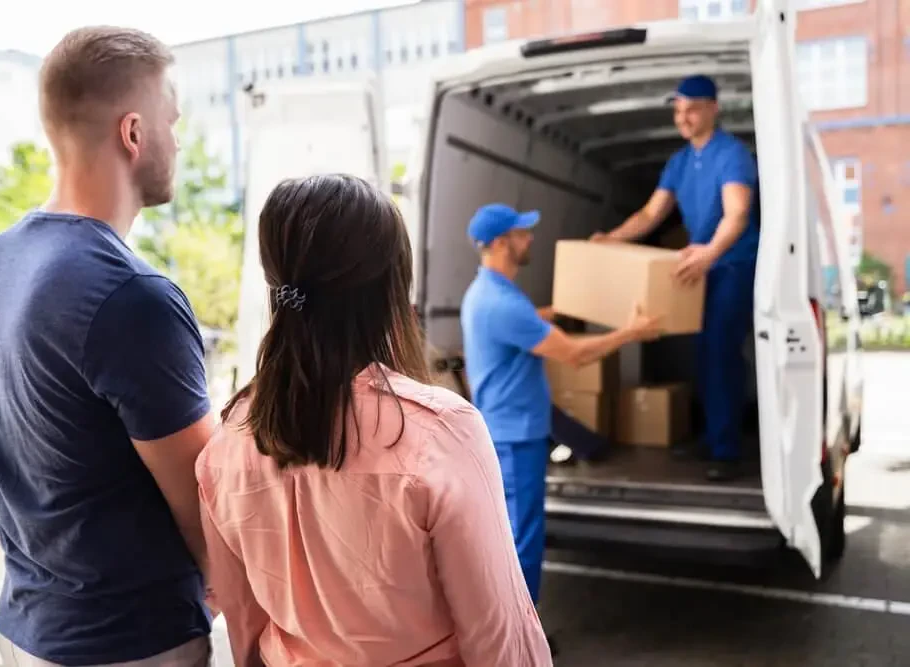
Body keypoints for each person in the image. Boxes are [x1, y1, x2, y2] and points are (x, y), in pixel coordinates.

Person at [196, 175, 552, 667]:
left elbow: (243, 623)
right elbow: (500, 639)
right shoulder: (440, 432)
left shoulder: (228, 442)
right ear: (390, 290)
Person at [0, 27, 215, 666]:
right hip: (129, 643)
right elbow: (206, 504)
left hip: (27, 629)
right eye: (172, 119)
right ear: (134, 133)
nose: (179, 139)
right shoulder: (133, 296)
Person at [459, 203, 662, 630]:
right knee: (523, 540)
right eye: (521, 233)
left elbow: (531, 320)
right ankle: (518, 638)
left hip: (510, 427)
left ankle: (509, 631)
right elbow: (575, 354)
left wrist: (576, 305)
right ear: (500, 243)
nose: (530, 238)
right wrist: (632, 333)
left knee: (516, 533)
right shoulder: (501, 303)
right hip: (515, 435)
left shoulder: (489, 291)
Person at [591, 74, 760, 482]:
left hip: (731, 264)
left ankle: (727, 451)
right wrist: (608, 239)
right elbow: (652, 214)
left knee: (720, 351)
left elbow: (737, 212)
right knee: (701, 354)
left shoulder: (731, 154)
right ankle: (711, 435)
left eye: (692, 109)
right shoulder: (680, 162)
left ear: (713, 108)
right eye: (678, 110)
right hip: (696, 268)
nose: (683, 118)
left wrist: (711, 252)